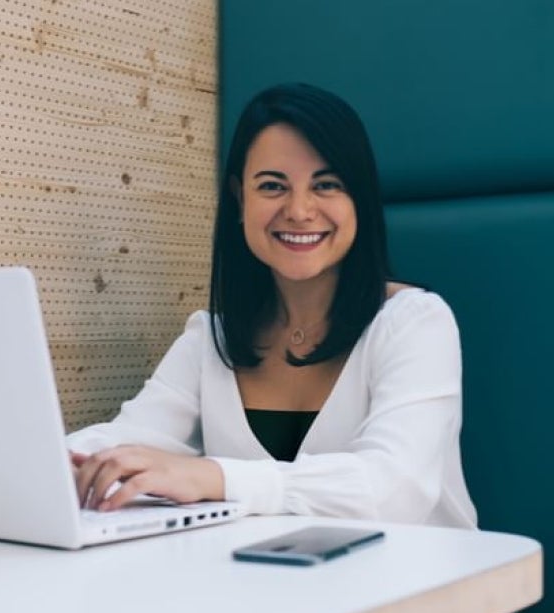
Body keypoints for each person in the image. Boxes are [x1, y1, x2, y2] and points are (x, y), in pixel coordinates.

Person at [67, 83, 477, 528]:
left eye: (327, 185)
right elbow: (128, 439)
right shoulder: (212, 338)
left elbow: (394, 490)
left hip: (421, 590)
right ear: (240, 200)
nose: (299, 210)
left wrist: (216, 476)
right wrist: (52, 462)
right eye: (272, 186)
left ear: (359, 200)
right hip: (276, 588)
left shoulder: (415, 323)